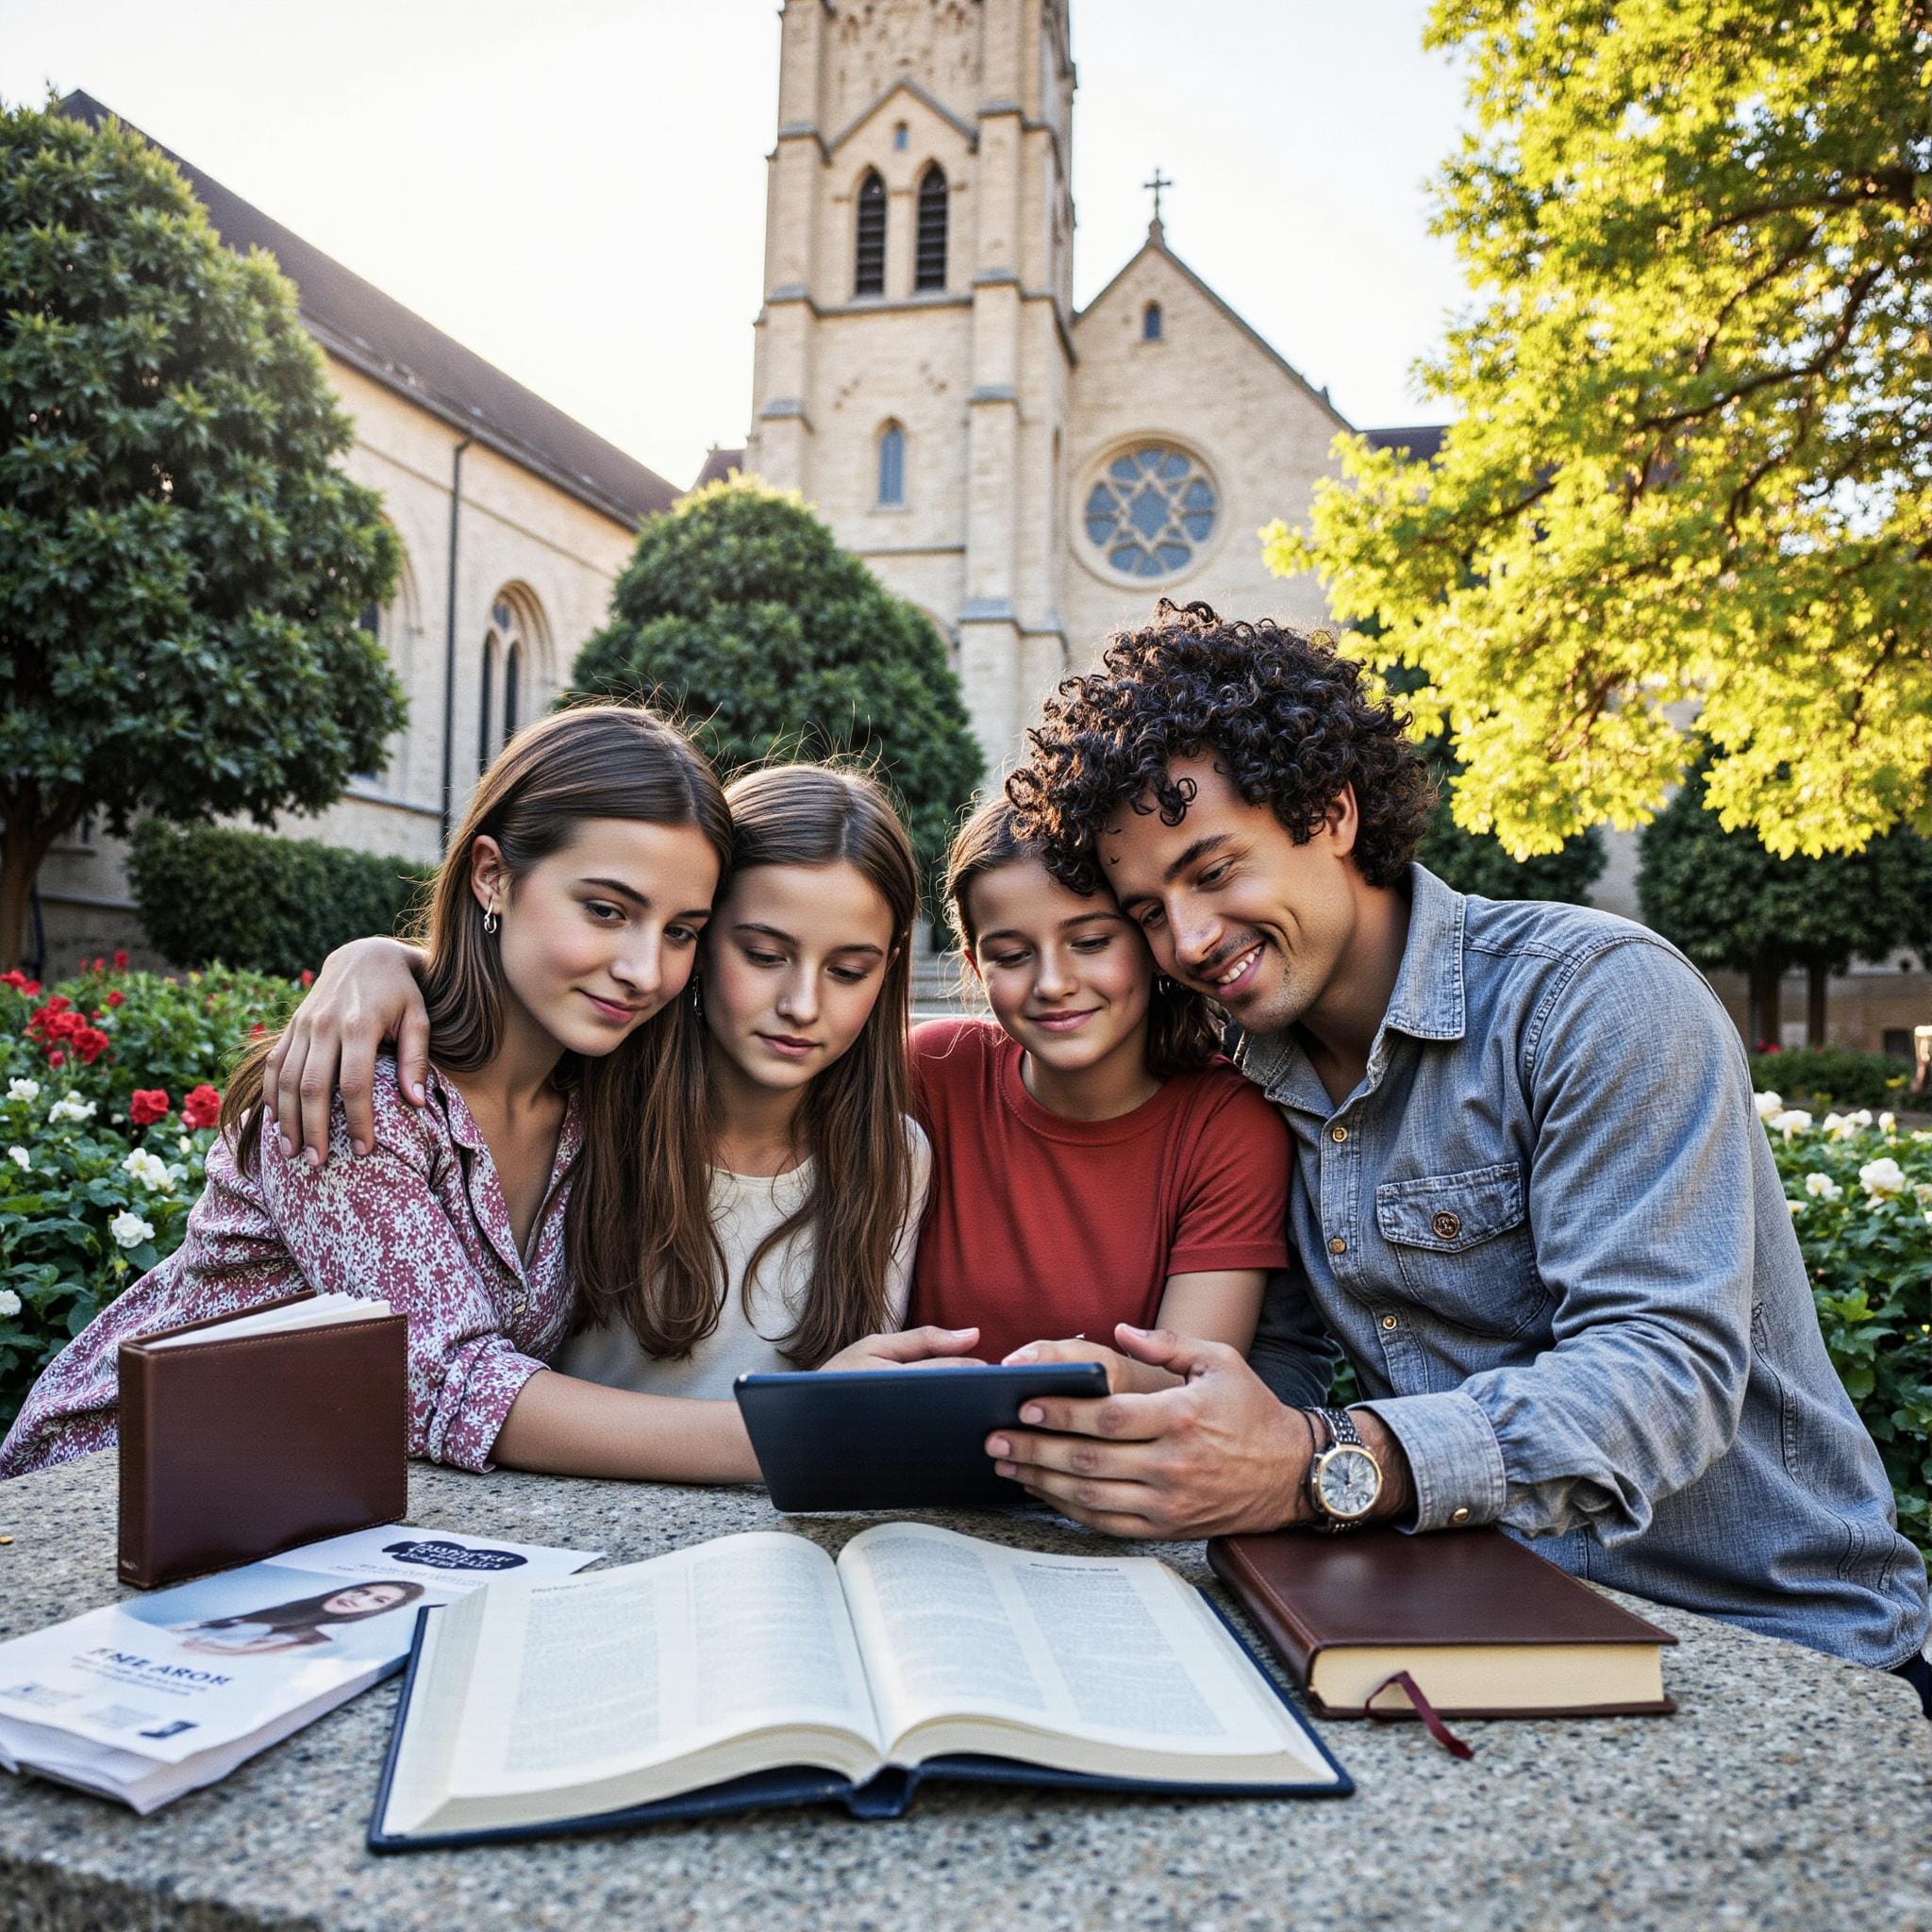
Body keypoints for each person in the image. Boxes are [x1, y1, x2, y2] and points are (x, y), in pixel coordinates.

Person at [991, 600, 1932, 1707]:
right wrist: (1146, 1419)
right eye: (1149, 909)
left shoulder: (1590, 998)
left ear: (1329, 810)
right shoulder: (1242, 1064)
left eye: (1212, 870)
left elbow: (1661, 1375)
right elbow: (1282, 1380)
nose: (1186, 940)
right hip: (1473, 1622)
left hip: (1773, 1650)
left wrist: (1322, 1461)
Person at [0, 704, 736, 1480]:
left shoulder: (604, 1104)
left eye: (681, 931)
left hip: (315, 1500)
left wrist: (385, 955)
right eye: (606, 911)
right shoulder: (357, 1089)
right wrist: (779, 1436)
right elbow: (446, 1383)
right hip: (114, 1484)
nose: (644, 970)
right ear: (492, 876)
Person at [253, 763, 941, 1473]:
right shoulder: (603, 1097)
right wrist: (798, 1427)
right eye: (763, 954)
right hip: (224, 1477)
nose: (801, 1005)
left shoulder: (883, 1156)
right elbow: (450, 1381)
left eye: (848, 971)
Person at [908, 796, 1292, 1382]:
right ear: (976, 965)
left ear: (1153, 941)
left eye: (1090, 943)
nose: (1053, 984)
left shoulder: (1227, 1126)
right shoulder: (931, 1072)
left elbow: (1197, 1382)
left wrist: (1102, 1373)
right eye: (1011, 955)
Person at [173, 1581, 425, 1656]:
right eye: (361, 1591)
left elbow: (239, 1657)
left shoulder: (315, 1639)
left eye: (378, 1601)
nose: (358, 1599)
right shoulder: (280, 1611)